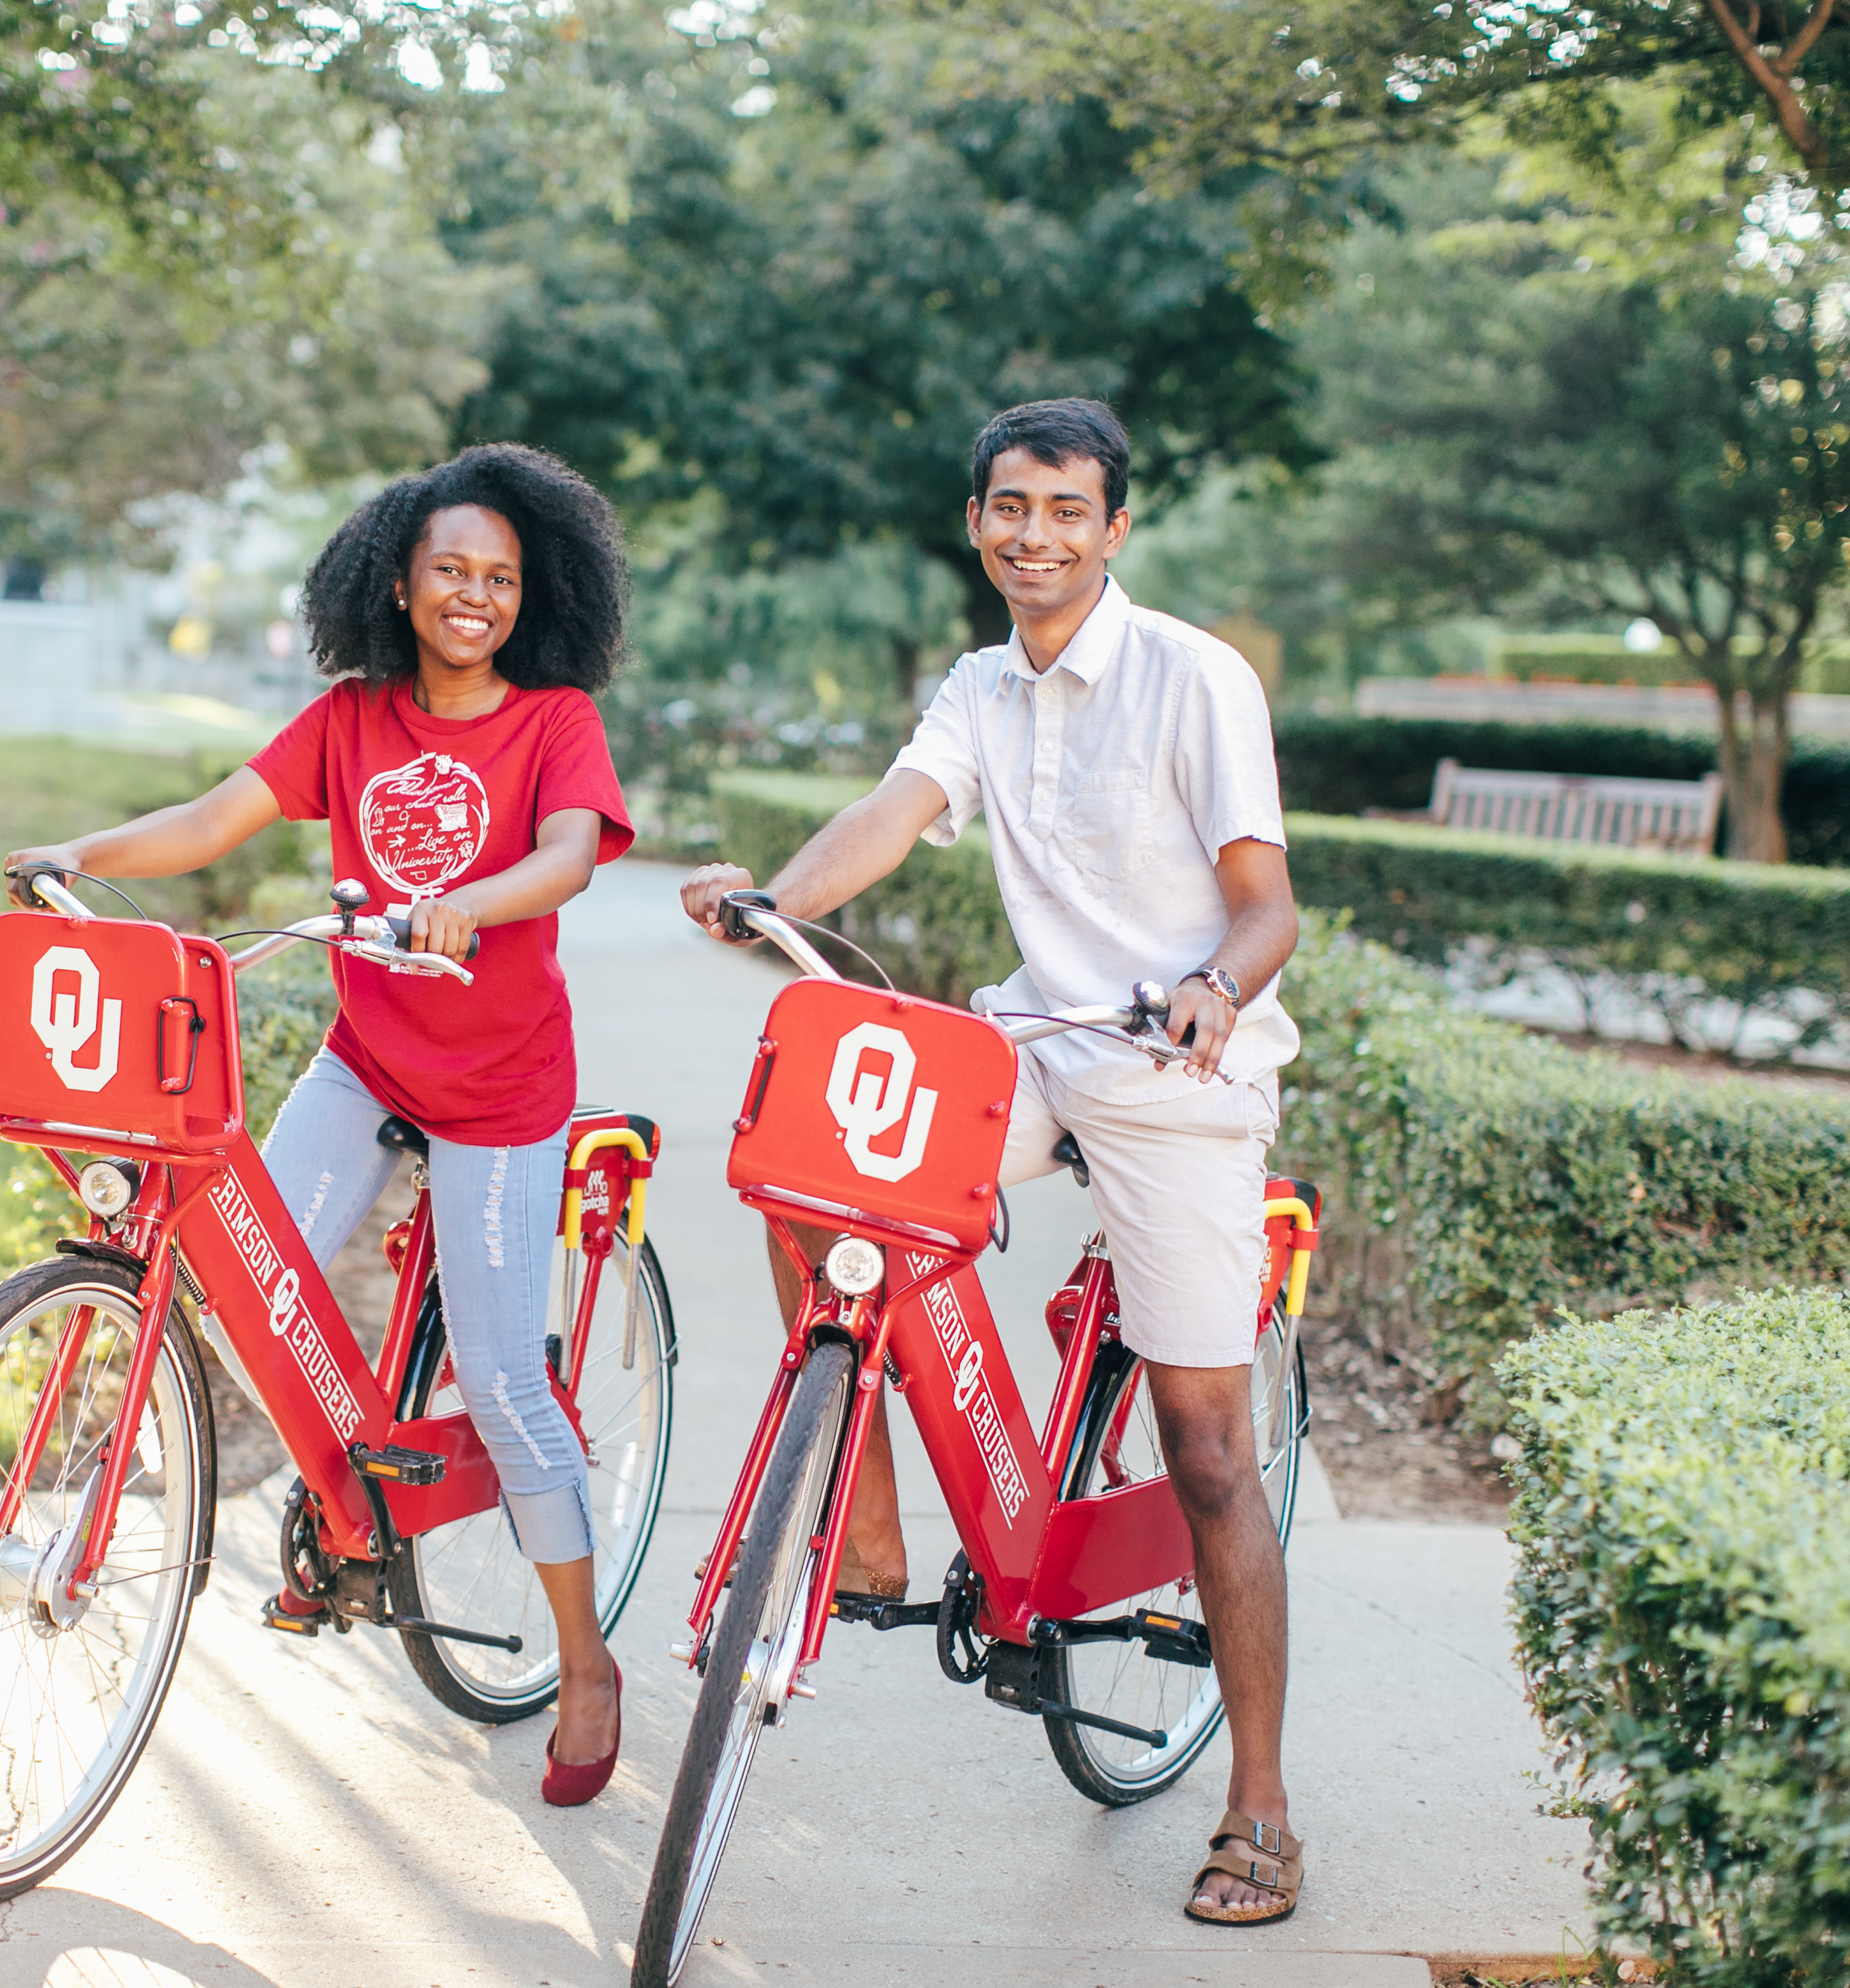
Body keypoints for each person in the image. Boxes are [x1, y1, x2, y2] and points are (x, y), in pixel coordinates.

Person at [678, 399, 1309, 1923]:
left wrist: (1216, 988)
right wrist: (771, 895)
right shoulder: (977, 683)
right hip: (1036, 1042)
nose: (1033, 534)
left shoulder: (1189, 676)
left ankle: (1262, 1804)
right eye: (1007, 508)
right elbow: (893, 814)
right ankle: (874, 1518)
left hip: (1173, 1066)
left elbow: (1267, 905)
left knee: (1209, 1447)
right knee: (813, 1166)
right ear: (976, 522)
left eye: (1065, 510)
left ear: (1113, 530)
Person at [7, 443, 635, 1805]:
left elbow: (574, 853)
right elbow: (218, 816)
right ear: (398, 584)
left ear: (532, 598)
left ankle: (586, 1662)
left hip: (502, 1091)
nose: (475, 596)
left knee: (506, 1380)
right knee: (246, 1267)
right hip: (369, 1059)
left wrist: (481, 899)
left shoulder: (553, 722)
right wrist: (82, 856)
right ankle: (341, 1507)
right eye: (450, 572)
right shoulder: (352, 719)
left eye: (501, 580)